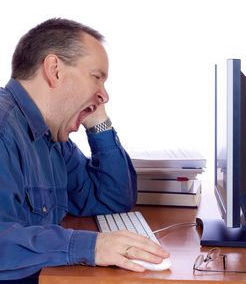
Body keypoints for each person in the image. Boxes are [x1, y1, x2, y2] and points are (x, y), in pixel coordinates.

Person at [0, 18, 169, 282]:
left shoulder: (53, 141)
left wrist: (98, 122)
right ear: (55, 70)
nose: (105, 95)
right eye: (97, 77)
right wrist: (91, 246)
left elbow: (110, 200)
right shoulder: (3, 131)